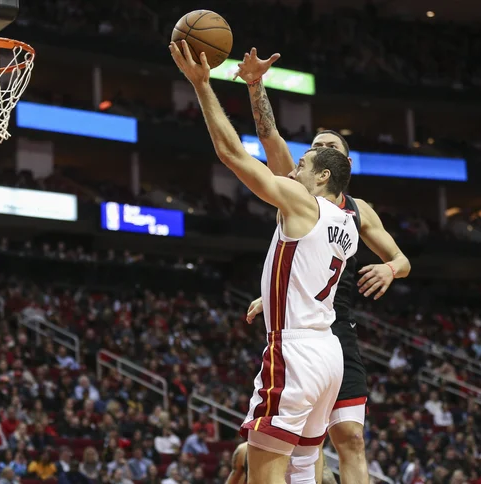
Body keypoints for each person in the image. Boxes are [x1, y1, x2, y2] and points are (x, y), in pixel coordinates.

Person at [171, 41, 358, 484]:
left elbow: (233, 154)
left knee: (265, 473)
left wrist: (202, 85)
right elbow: (273, 145)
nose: (292, 171)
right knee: (304, 471)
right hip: (329, 355)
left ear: (324, 176)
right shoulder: (349, 219)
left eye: (303, 164)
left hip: (294, 350)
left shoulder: (301, 202)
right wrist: (256, 87)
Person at [235, 48, 411, 484]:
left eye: (328, 148)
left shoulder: (359, 209)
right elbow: (269, 133)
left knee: (349, 436)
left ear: (340, 167)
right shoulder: (298, 189)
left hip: (336, 329)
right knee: (302, 440)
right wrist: (256, 85)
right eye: (313, 147)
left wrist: (390, 270)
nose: (316, 151)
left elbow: (401, 259)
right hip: (302, 331)